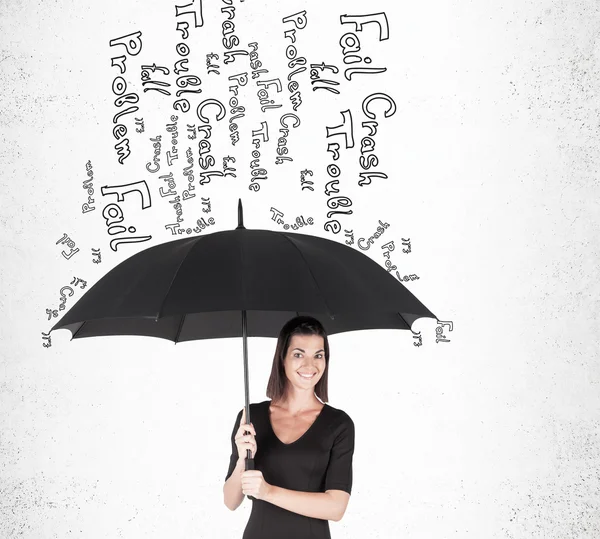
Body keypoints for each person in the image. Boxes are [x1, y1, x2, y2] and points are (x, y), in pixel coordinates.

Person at [223, 315, 355, 539]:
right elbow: (230, 501)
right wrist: (240, 463)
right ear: (282, 358)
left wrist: (268, 492)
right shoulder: (251, 416)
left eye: (318, 355)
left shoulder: (338, 425)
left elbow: (336, 507)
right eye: (298, 354)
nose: (309, 365)